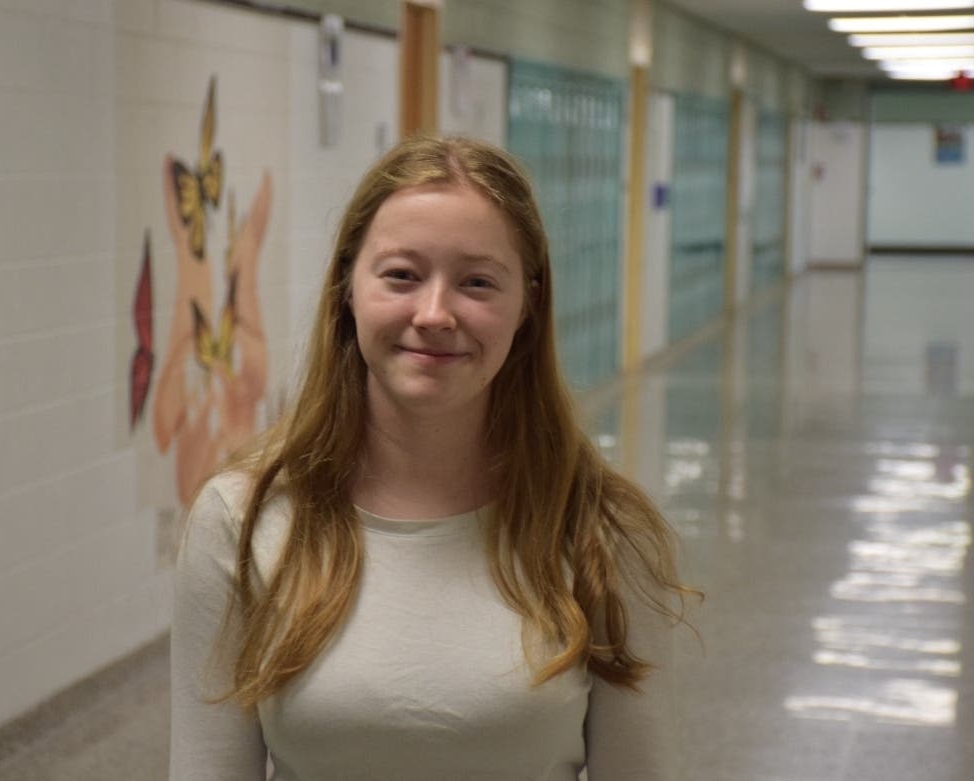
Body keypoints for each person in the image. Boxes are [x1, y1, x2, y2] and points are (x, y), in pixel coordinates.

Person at [170, 135, 695, 780]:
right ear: (347, 286)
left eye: (477, 282)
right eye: (401, 275)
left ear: (528, 303)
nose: (435, 313)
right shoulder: (244, 519)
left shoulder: (604, 533)